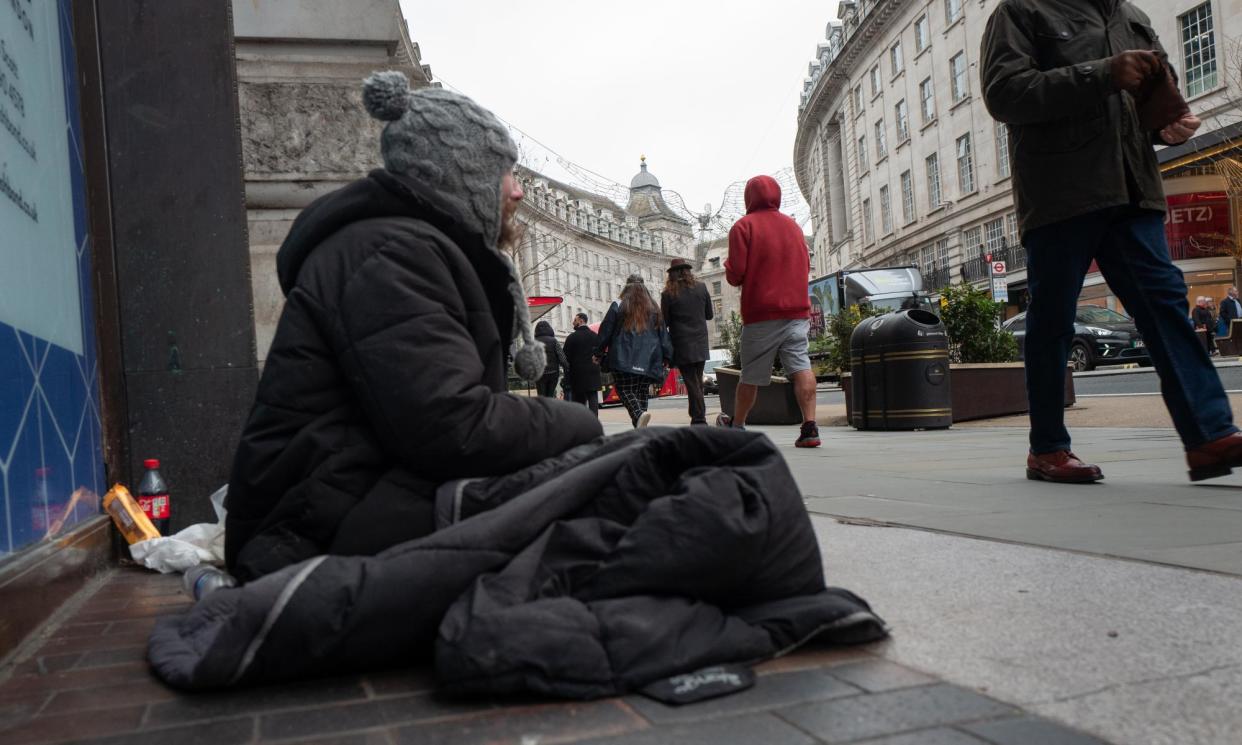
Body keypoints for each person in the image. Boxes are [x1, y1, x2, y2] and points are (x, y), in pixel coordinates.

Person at [223, 73, 602, 581]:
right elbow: (453, 429)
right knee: (615, 479)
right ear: (459, 174)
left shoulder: (407, 249)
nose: (516, 190)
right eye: (504, 172)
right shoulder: (390, 256)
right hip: (310, 535)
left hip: (351, 504)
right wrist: (582, 422)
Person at [981, 1, 1242, 483]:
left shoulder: (1132, 17)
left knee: (1165, 305)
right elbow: (1004, 94)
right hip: (1062, 192)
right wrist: (1101, 73)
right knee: (1053, 321)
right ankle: (1048, 449)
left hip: (1134, 189)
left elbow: (1152, 102)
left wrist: (1167, 125)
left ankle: (1208, 436)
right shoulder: (1022, 10)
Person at [716, 175, 820, 448]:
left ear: (749, 198)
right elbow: (805, 265)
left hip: (762, 311)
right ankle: (809, 427)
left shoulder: (743, 227)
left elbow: (735, 274)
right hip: (797, 310)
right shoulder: (794, 227)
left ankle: (737, 425)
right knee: (800, 366)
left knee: (750, 374)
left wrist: (732, 268)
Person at [595, 275, 672, 428]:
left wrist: (598, 352)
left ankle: (638, 415)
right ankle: (640, 427)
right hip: (649, 357)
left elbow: (606, 330)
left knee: (625, 390)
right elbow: (663, 332)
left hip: (623, 356)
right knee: (642, 391)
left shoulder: (619, 304)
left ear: (626, 287)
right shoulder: (653, 307)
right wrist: (667, 355)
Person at [660, 257, 714, 425]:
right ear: (688, 271)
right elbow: (709, 315)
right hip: (700, 340)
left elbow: (665, 322)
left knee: (692, 381)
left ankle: (699, 418)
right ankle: (696, 414)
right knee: (697, 380)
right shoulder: (701, 287)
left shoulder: (668, 294)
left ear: (672, 274)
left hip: (682, 342)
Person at [562, 312, 602, 415]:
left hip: (578, 374)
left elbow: (565, 357)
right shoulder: (595, 336)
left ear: (581, 321)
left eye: (575, 320)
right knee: (593, 397)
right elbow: (600, 353)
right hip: (593, 372)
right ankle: (594, 422)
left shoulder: (571, 338)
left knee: (579, 400)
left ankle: (582, 422)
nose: (573, 322)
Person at [534, 320, 570, 397]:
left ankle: (542, 408)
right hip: (553, 373)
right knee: (550, 395)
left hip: (539, 374)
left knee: (541, 396)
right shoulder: (554, 341)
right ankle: (549, 408)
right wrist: (567, 367)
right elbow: (562, 357)